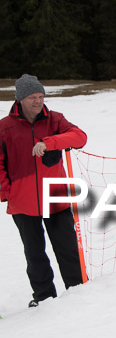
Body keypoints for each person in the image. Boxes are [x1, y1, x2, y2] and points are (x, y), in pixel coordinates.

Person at [0, 74, 88, 308]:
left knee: (68, 248)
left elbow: (80, 137)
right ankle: (44, 298)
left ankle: (78, 292)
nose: (38, 101)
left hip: (55, 197)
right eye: (33, 97)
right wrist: (7, 192)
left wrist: (49, 143)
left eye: (41, 96)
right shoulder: (4, 128)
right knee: (35, 254)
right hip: (23, 202)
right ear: (20, 99)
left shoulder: (55, 120)